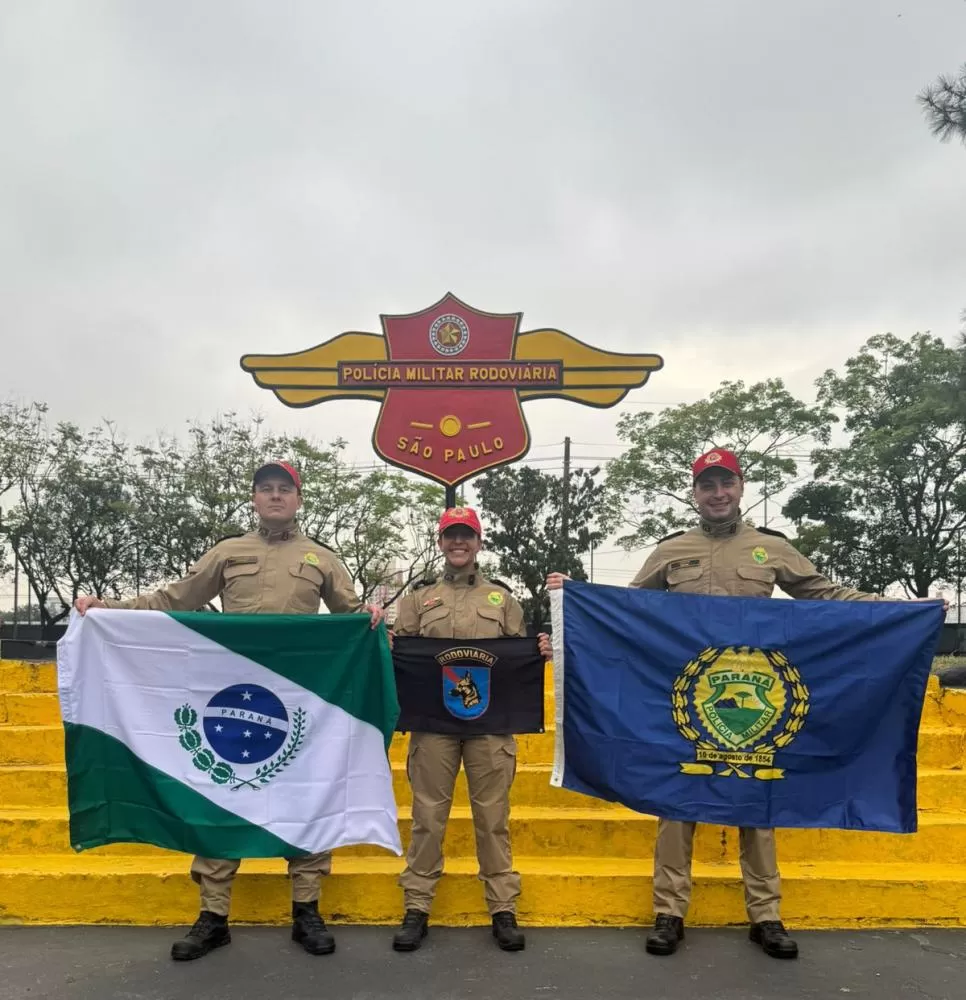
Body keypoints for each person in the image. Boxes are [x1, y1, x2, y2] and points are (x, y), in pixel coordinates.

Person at [540, 447, 944, 961]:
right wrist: (569, 607)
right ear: (695, 493)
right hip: (684, 699)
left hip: (758, 700)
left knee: (760, 802)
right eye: (707, 485)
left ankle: (767, 916)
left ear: (740, 487)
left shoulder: (770, 548)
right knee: (674, 802)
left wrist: (900, 611)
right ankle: (669, 912)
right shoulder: (671, 552)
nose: (717, 493)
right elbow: (625, 613)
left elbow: (823, 594)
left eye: (725, 483)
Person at [74, 460, 383, 962]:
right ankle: (213, 916)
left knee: (306, 797)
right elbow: (177, 597)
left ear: (298, 499)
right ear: (255, 498)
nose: (276, 496)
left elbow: (350, 615)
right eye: (267, 489)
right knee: (222, 791)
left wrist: (367, 616)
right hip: (233, 696)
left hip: (299, 699)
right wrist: (110, 608)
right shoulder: (227, 552)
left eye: (285, 489)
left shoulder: (321, 558)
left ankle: (307, 911)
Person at [389, 506, 548, 954]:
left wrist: (538, 650)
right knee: (427, 818)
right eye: (450, 536)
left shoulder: (503, 600)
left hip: (490, 727)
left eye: (467, 536)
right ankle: (417, 907)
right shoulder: (419, 600)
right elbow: (402, 657)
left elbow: (518, 658)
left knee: (493, 819)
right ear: (440, 542)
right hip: (434, 727)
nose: (458, 543)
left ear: (479, 543)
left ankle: (502, 908)